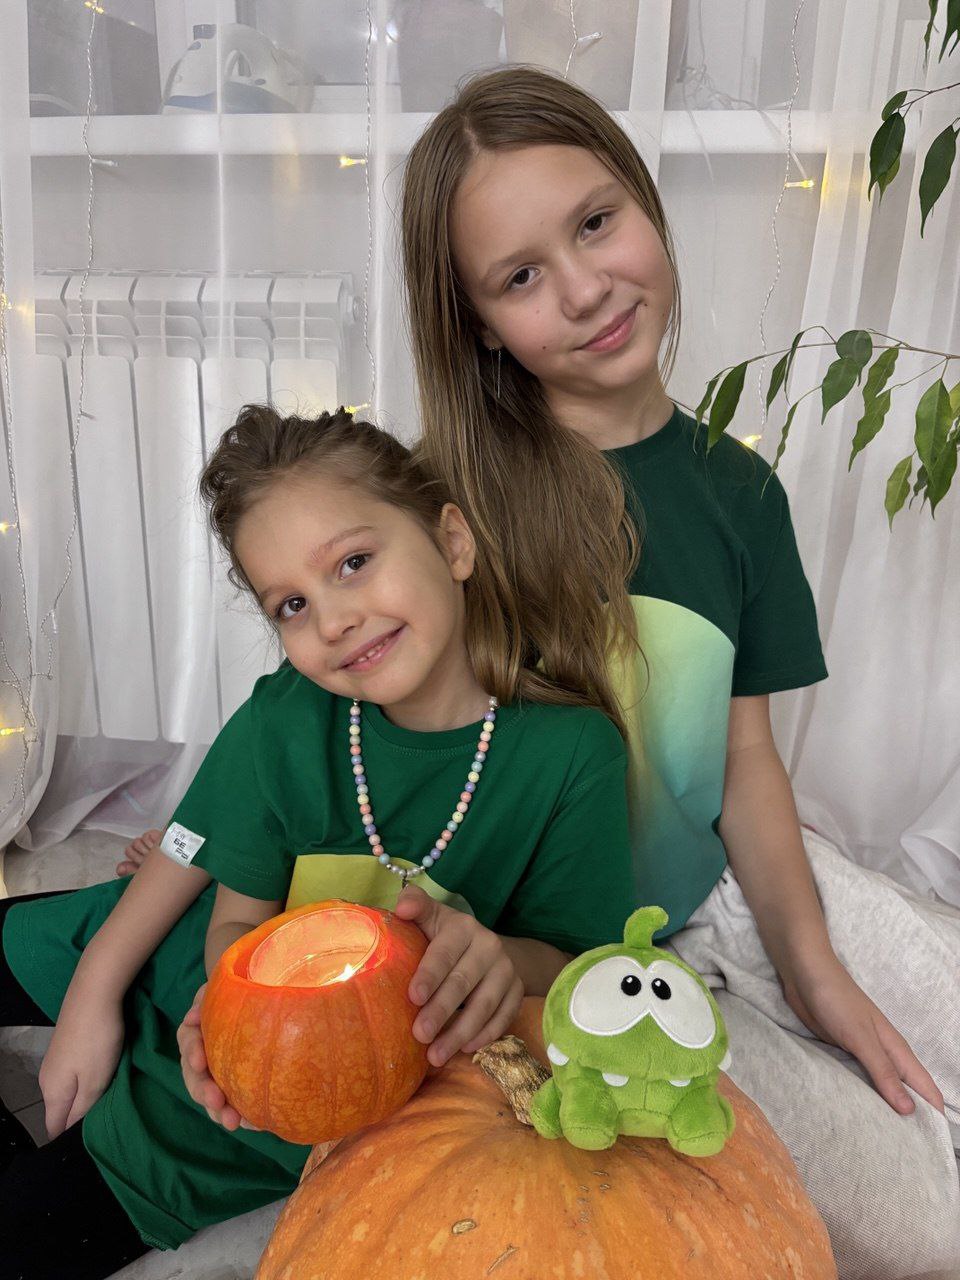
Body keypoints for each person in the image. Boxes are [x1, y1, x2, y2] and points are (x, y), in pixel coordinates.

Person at [397, 65, 960, 1278]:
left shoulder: (738, 490)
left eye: (596, 222)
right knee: (924, 1226)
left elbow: (744, 754)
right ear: (478, 323)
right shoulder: (446, 510)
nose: (586, 287)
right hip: (579, 963)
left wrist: (813, 967)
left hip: (724, 880)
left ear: (644, 203)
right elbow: (361, 726)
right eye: (521, 276)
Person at [0, 406, 638, 1280]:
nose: (334, 619)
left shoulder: (573, 755)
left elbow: (579, 961)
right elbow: (229, 923)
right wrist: (126, 1000)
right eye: (293, 605)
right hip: (194, 976)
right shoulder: (287, 720)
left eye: (354, 562)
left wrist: (503, 963)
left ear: (452, 542)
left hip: (271, 1102)